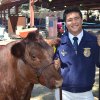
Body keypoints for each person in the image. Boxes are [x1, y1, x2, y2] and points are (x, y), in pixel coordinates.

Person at [54, 6, 100, 100]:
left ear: (82, 20)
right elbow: (53, 65)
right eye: (70, 20)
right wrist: (54, 65)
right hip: (63, 92)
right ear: (65, 23)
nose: (74, 22)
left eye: (76, 18)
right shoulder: (59, 42)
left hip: (86, 93)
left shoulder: (93, 41)